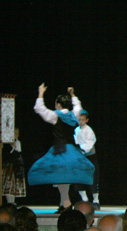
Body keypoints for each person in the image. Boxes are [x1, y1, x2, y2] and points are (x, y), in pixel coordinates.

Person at [28, 84, 95, 213]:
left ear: (58, 104)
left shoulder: (55, 115)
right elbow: (78, 107)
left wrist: (41, 93)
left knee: (61, 177)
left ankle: (66, 204)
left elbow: (39, 108)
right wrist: (73, 95)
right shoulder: (74, 115)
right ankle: (63, 203)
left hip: (60, 150)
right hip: (71, 150)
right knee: (64, 177)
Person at [72, 110, 101, 210]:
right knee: (79, 178)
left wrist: (81, 148)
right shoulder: (76, 130)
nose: (81, 121)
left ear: (87, 120)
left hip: (89, 156)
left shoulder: (89, 130)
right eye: (79, 119)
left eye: (83, 119)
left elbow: (90, 144)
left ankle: (96, 201)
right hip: (80, 157)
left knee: (93, 177)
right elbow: (75, 141)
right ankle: (84, 200)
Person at [2, 128, 26, 205]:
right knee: (8, 184)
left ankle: (12, 202)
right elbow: (6, 155)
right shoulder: (6, 144)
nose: (16, 135)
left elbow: (18, 153)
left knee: (14, 185)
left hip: (16, 166)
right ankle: (9, 202)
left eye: (17, 133)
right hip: (8, 166)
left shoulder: (18, 143)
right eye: (14, 133)